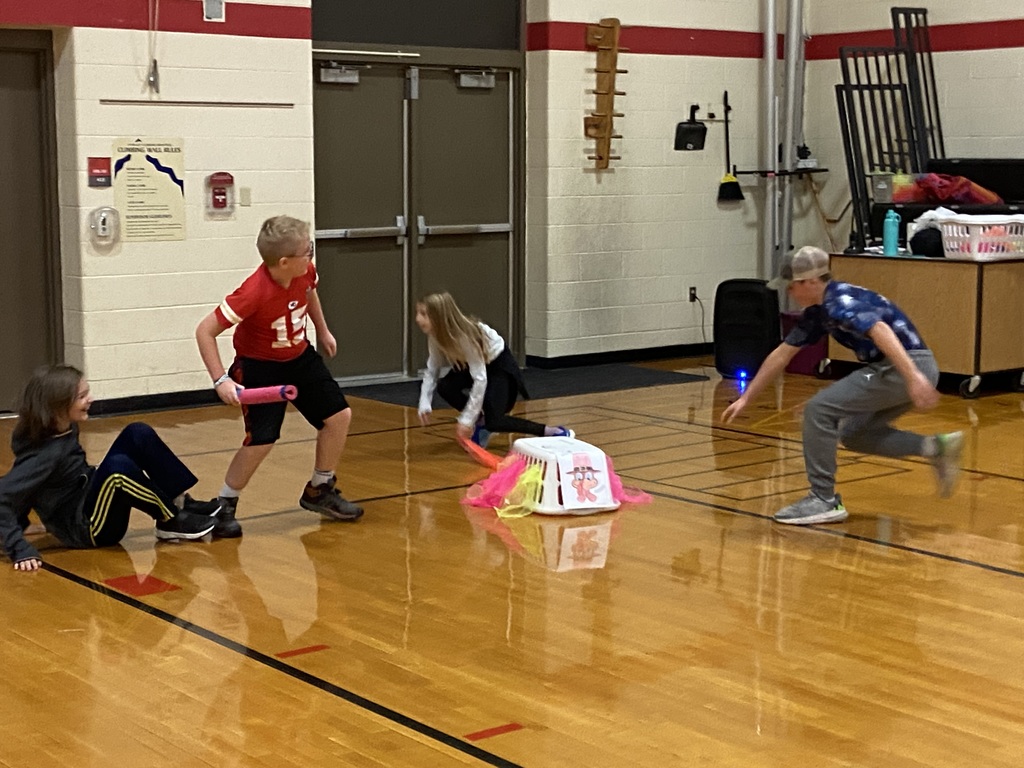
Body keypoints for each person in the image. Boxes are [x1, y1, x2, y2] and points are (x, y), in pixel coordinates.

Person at [720, 246, 963, 525]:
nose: (789, 293)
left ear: (810, 282)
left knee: (818, 410)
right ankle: (936, 448)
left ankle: (823, 499)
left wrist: (913, 377)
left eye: (791, 286)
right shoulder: (818, 312)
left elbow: (880, 329)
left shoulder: (839, 303)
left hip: (903, 367)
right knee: (856, 434)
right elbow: (782, 353)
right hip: (897, 368)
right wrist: (747, 397)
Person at [195, 215, 363, 538]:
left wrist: (323, 330)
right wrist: (221, 380)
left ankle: (320, 488)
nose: (312, 254)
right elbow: (205, 330)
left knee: (338, 416)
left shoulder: (304, 271)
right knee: (262, 440)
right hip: (260, 367)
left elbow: (309, 293)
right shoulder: (254, 291)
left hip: (299, 357)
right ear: (284, 262)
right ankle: (225, 504)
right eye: (307, 250)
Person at [0, 365, 217, 572]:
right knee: (117, 471)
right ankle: (169, 520)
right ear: (57, 407)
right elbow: (4, 496)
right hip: (88, 529)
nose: (90, 399)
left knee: (137, 433)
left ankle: (179, 501)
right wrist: (19, 547)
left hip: (86, 496)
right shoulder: (43, 455)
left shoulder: (63, 426)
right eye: (82, 397)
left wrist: (23, 522)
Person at [415, 292, 573, 447]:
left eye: (423, 314)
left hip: (498, 365)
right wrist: (425, 401)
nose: (418, 319)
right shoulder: (436, 335)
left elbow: (480, 378)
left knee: (496, 421)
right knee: (446, 386)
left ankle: (551, 431)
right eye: (418, 313)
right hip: (475, 365)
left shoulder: (465, 336)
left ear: (439, 317)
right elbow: (432, 369)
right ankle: (482, 423)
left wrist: (467, 419)